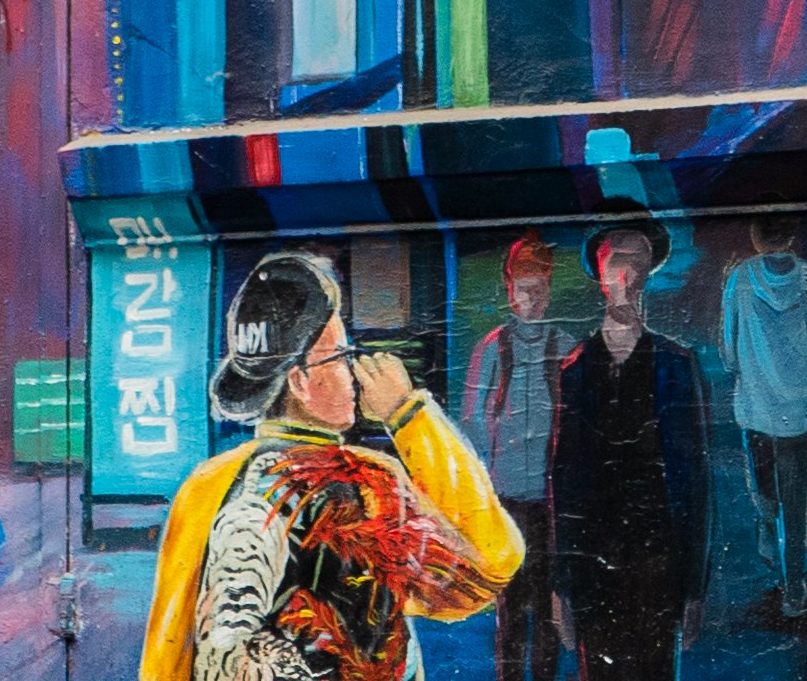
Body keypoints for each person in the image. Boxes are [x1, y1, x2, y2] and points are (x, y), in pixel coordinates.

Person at [141, 248, 524, 681]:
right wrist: (409, 414)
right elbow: (490, 563)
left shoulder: (205, 485)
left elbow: (169, 651)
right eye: (341, 356)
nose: (355, 370)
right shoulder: (363, 485)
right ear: (300, 381)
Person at [548, 225, 708, 681]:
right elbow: (564, 482)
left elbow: (695, 484)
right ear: (599, 272)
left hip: (659, 565)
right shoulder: (576, 368)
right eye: (617, 260)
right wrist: (562, 587)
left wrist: (694, 589)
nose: (627, 274)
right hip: (594, 569)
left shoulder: (676, 364)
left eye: (638, 262)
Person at [457, 238, 579, 681]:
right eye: (524, 288)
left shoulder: (567, 347)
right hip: (506, 499)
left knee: (549, 606)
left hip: (550, 499)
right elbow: (471, 421)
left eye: (540, 289)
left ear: (550, 289)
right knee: (510, 610)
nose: (532, 299)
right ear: (510, 290)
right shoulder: (492, 349)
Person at [718, 219, 807, 620]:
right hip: (798, 406)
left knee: (762, 477)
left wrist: (742, 366)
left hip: (757, 403)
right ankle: (793, 585)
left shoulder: (740, 279)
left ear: (755, 237)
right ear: (791, 236)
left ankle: (765, 526)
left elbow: (727, 344)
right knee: (797, 498)